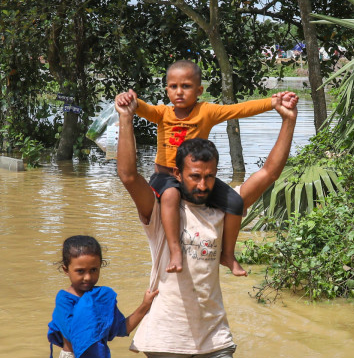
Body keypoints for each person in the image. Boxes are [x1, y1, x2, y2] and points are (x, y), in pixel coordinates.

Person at [114, 88, 298, 358]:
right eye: (195, 176)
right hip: (169, 324)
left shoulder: (221, 209)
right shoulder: (159, 210)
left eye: (210, 177)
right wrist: (126, 119)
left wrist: (288, 122)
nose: (202, 185)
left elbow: (268, 173)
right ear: (177, 173)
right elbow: (129, 176)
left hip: (212, 325)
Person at [115, 60, 282, 276]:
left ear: (199, 90)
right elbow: (138, 106)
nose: (179, 92)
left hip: (194, 178)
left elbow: (238, 110)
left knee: (235, 202)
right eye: (173, 86)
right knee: (171, 195)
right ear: (166, 90)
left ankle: (228, 254)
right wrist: (128, 100)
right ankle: (175, 251)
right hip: (165, 176)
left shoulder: (206, 112)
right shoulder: (161, 113)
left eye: (186, 86)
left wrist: (273, 102)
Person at [46, 235, 158, 358]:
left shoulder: (102, 299)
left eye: (94, 270)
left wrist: (145, 305)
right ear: (66, 270)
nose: (88, 277)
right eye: (80, 271)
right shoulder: (65, 300)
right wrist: (92, 305)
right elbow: (72, 334)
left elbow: (122, 328)